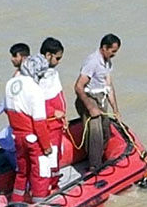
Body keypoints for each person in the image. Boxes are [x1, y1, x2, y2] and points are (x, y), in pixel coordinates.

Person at [4, 55, 53, 203]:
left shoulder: (10, 84)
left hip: (17, 136)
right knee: (41, 172)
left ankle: (17, 201)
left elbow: (8, 110)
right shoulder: (35, 90)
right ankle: (39, 203)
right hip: (33, 138)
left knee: (22, 172)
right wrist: (46, 146)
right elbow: (39, 122)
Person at [73, 33, 121, 171]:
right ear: (104, 48)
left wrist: (115, 110)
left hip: (101, 98)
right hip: (88, 98)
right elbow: (78, 86)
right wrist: (90, 107)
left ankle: (99, 156)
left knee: (106, 130)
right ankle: (94, 166)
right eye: (113, 51)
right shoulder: (92, 62)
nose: (114, 55)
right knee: (96, 133)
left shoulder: (107, 63)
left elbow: (109, 87)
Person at [38, 37, 66, 191]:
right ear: (48, 55)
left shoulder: (52, 73)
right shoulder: (38, 76)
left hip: (57, 123)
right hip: (48, 124)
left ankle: (54, 181)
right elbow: (36, 102)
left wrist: (63, 116)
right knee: (50, 156)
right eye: (57, 58)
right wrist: (53, 112)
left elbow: (58, 96)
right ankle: (50, 185)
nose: (59, 61)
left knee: (57, 155)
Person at [0, 43, 31, 121]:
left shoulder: (32, 75)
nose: (12, 59)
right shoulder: (17, 74)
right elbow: (10, 95)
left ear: (24, 58)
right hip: (15, 119)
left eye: (14, 56)